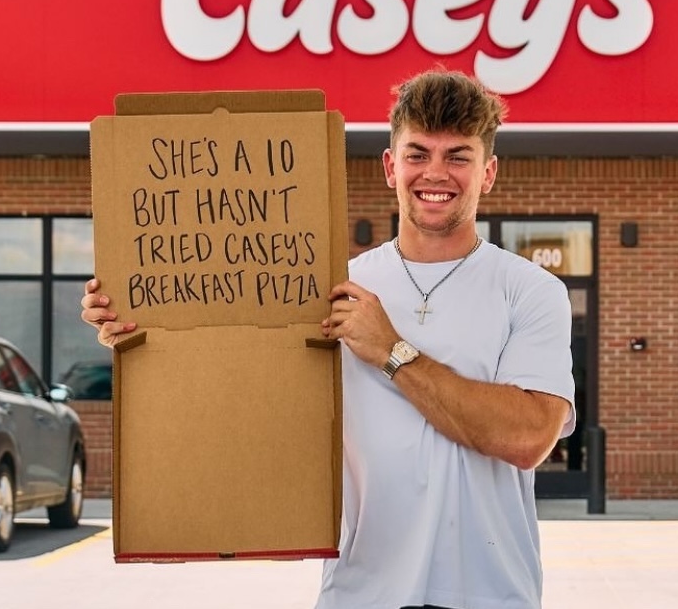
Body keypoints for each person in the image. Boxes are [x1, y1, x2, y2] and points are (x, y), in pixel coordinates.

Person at [81, 68, 577, 609]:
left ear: (488, 173)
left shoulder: (530, 290)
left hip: (490, 593)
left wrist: (392, 352)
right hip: (361, 593)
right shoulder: (329, 286)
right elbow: (241, 400)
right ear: (390, 166)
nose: (436, 172)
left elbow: (528, 438)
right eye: (418, 154)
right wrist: (147, 338)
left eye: (458, 156)